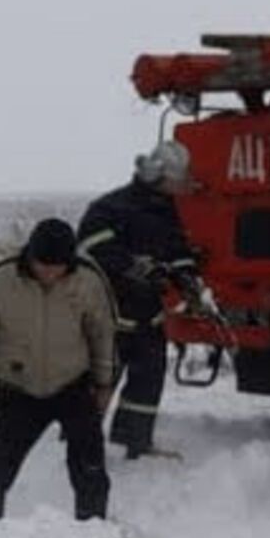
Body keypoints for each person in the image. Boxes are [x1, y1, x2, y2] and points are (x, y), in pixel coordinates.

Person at [0, 218, 119, 529]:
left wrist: (104, 383)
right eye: (43, 265)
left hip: (74, 387)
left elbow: (103, 334)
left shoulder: (88, 281)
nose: (50, 273)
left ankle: (94, 532)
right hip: (15, 390)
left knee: (90, 469)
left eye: (59, 267)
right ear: (30, 256)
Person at [78, 140, 200, 460]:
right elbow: (91, 248)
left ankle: (136, 441)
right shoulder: (111, 208)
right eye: (177, 178)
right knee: (102, 378)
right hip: (111, 313)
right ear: (159, 174)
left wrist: (185, 276)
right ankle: (80, 442)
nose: (180, 185)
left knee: (149, 378)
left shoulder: (165, 209)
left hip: (148, 313)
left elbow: (177, 249)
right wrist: (134, 267)